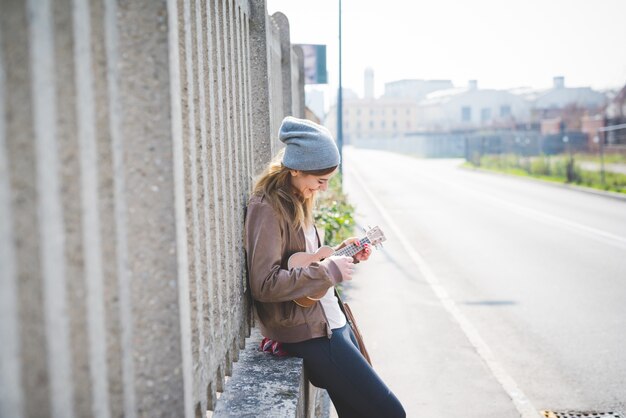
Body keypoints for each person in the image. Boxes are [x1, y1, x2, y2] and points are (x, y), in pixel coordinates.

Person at [245, 116, 405, 418]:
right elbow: (263, 283)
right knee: (390, 412)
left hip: (332, 322)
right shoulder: (266, 208)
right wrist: (328, 271)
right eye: (319, 181)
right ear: (296, 169)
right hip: (311, 335)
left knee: (357, 411)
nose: (322, 188)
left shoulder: (297, 198)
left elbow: (306, 262)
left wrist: (346, 254)